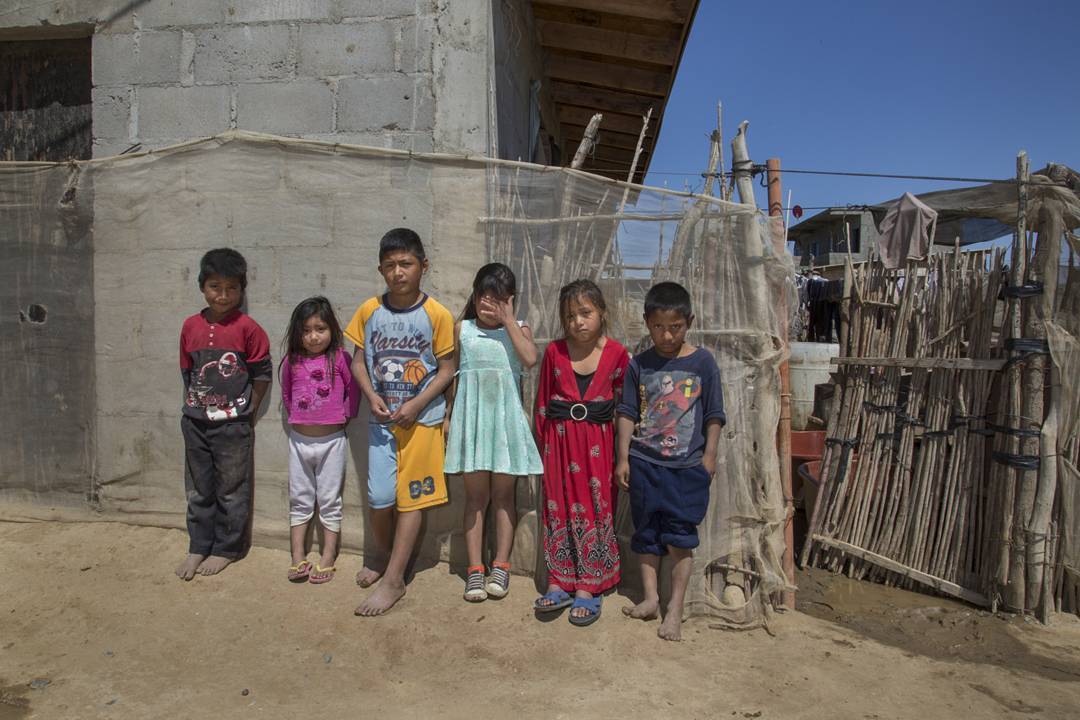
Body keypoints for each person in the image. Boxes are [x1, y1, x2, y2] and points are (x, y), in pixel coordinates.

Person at [345, 228, 455, 616]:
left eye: (406, 263)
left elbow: (447, 369)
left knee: (412, 500)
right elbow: (358, 362)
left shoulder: (437, 314)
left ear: (423, 265)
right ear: (380, 269)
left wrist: (417, 403)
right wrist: (370, 395)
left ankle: (393, 580)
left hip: (422, 422)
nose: (398, 272)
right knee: (379, 498)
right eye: (390, 265)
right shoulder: (369, 310)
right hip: (381, 423)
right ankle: (384, 557)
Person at [615, 281, 726, 641]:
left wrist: (709, 457)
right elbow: (627, 412)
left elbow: (714, 413)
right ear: (647, 323)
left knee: (680, 539)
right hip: (644, 463)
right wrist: (623, 457)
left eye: (675, 327)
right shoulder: (639, 365)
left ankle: (675, 608)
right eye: (658, 326)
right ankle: (650, 599)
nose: (666, 335)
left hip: (686, 468)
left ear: (689, 322)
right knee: (646, 534)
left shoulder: (703, 363)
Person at [533, 280, 629, 626]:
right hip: (558, 446)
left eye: (585, 312)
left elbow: (625, 409)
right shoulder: (554, 352)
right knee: (557, 506)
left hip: (597, 450)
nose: (578, 321)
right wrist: (543, 449)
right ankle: (558, 582)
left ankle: (589, 586)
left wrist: (621, 455)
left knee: (594, 507)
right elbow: (542, 404)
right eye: (570, 316)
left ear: (601, 312)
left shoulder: (618, 354)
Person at [444, 263, 542, 602]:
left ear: (510, 300)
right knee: (475, 499)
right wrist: (448, 417)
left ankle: (501, 565)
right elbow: (454, 376)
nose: (489, 305)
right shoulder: (463, 329)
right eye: (484, 297)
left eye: (498, 299)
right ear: (474, 296)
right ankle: (475, 569)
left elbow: (529, 359)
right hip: (471, 424)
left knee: (503, 497)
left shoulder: (520, 328)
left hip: (505, 425)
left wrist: (509, 320)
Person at [176, 248, 272, 581]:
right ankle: (198, 545)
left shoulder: (248, 328)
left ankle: (226, 549)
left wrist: (247, 411)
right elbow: (187, 371)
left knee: (231, 489)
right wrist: (197, 406)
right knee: (199, 489)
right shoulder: (190, 326)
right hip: (195, 423)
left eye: (232, 288)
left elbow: (262, 374)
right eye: (215, 287)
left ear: (242, 289)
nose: (223, 295)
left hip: (232, 426)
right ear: (202, 286)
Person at [279, 296, 359, 584]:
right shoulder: (291, 361)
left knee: (329, 500)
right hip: (299, 441)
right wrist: (300, 417)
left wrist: (344, 414)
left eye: (320, 329)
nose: (313, 336)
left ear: (332, 329)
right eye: (306, 330)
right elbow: (287, 393)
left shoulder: (340, 358)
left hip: (332, 441)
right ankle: (297, 556)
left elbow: (353, 390)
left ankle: (328, 556)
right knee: (300, 499)